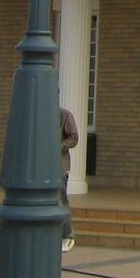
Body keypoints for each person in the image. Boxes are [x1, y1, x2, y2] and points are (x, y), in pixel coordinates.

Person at [59, 105, 79, 254]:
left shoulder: (64, 115)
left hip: (59, 167)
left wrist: (58, 146)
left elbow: (73, 138)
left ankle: (67, 235)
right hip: (40, 168)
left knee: (61, 200)